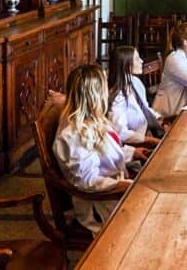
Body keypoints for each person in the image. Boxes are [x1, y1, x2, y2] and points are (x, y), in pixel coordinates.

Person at [53, 64, 149, 234]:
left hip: (116, 188)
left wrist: (132, 152)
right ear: (95, 94)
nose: (108, 91)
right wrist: (124, 186)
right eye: (105, 86)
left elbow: (105, 150)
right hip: (100, 203)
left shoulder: (94, 118)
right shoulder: (72, 135)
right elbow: (88, 181)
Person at [107, 46, 163, 148]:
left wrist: (159, 118)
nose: (142, 61)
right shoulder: (117, 96)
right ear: (127, 65)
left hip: (147, 132)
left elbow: (144, 108)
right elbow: (121, 133)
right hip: (134, 145)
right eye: (137, 59)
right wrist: (149, 140)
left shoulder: (135, 81)